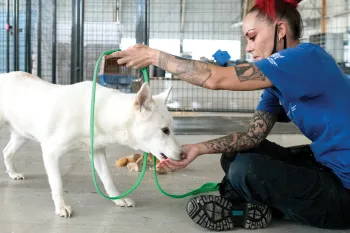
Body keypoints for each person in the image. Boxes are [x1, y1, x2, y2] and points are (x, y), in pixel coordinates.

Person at [108, 0, 350, 231]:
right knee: (235, 154)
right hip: (325, 165)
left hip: (345, 190)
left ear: (281, 30)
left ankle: (240, 208)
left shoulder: (306, 58)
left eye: (253, 37)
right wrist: (198, 149)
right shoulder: (275, 83)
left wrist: (154, 57)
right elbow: (253, 137)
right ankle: (252, 205)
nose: (248, 47)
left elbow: (217, 78)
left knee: (247, 170)